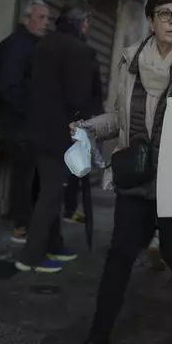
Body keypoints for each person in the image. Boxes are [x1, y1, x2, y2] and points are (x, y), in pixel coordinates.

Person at [63, 0, 172, 344]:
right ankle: (98, 337)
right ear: (151, 21)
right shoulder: (130, 62)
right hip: (136, 173)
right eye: (166, 15)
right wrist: (90, 127)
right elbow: (119, 117)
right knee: (119, 256)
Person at [14, 3, 94, 273]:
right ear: (81, 24)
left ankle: (55, 245)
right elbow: (79, 97)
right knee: (50, 193)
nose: (89, 29)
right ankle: (31, 255)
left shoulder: (43, 44)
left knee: (50, 189)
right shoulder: (79, 50)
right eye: (88, 24)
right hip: (59, 132)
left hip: (35, 127)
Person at [0, 0, 50, 244]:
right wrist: (28, 112)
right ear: (26, 19)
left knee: (29, 173)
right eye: (41, 17)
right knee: (24, 175)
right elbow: (9, 86)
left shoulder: (30, 44)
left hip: (25, 121)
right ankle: (20, 226)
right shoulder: (18, 46)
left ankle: (24, 221)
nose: (46, 23)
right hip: (19, 122)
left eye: (47, 18)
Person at [62, 49, 104, 224]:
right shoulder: (87, 60)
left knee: (72, 170)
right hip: (75, 121)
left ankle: (68, 210)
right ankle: (68, 210)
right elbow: (95, 95)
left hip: (71, 121)